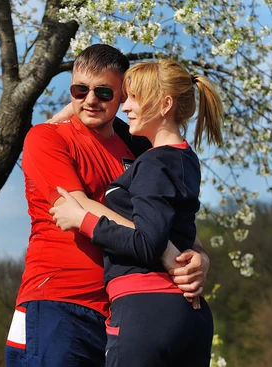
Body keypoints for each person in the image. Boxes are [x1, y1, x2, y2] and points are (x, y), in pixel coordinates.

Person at [5, 45, 209, 367]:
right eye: (79, 90)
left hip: (121, 309)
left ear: (123, 96)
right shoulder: (47, 138)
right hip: (58, 302)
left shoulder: (140, 145)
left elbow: (169, 216)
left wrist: (197, 256)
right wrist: (167, 253)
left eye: (103, 92)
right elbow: (77, 205)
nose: (90, 100)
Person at [50, 59, 223, 366]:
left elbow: (148, 243)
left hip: (145, 311)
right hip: (188, 315)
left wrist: (83, 220)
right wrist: (69, 112)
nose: (125, 106)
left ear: (165, 104)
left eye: (132, 98)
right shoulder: (184, 159)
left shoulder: (153, 164)